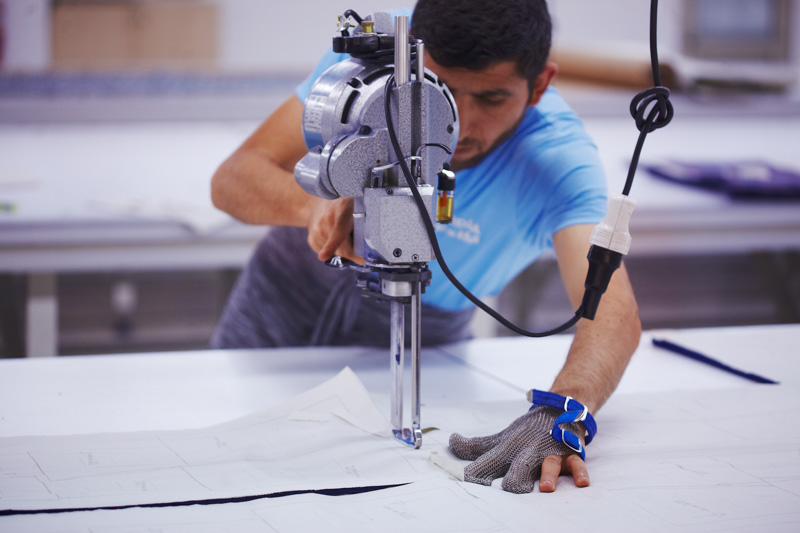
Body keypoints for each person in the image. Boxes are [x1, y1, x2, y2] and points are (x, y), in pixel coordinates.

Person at [210, 0, 640, 494]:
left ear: (540, 84)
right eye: (441, 90)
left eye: (493, 98)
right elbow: (233, 178)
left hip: (421, 343)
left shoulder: (557, 161)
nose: (461, 123)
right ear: (408, 60)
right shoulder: (368, 78)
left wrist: (561, 411)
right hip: (281, 300)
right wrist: (315, 208)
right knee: (230, 465)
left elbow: (614, 313)